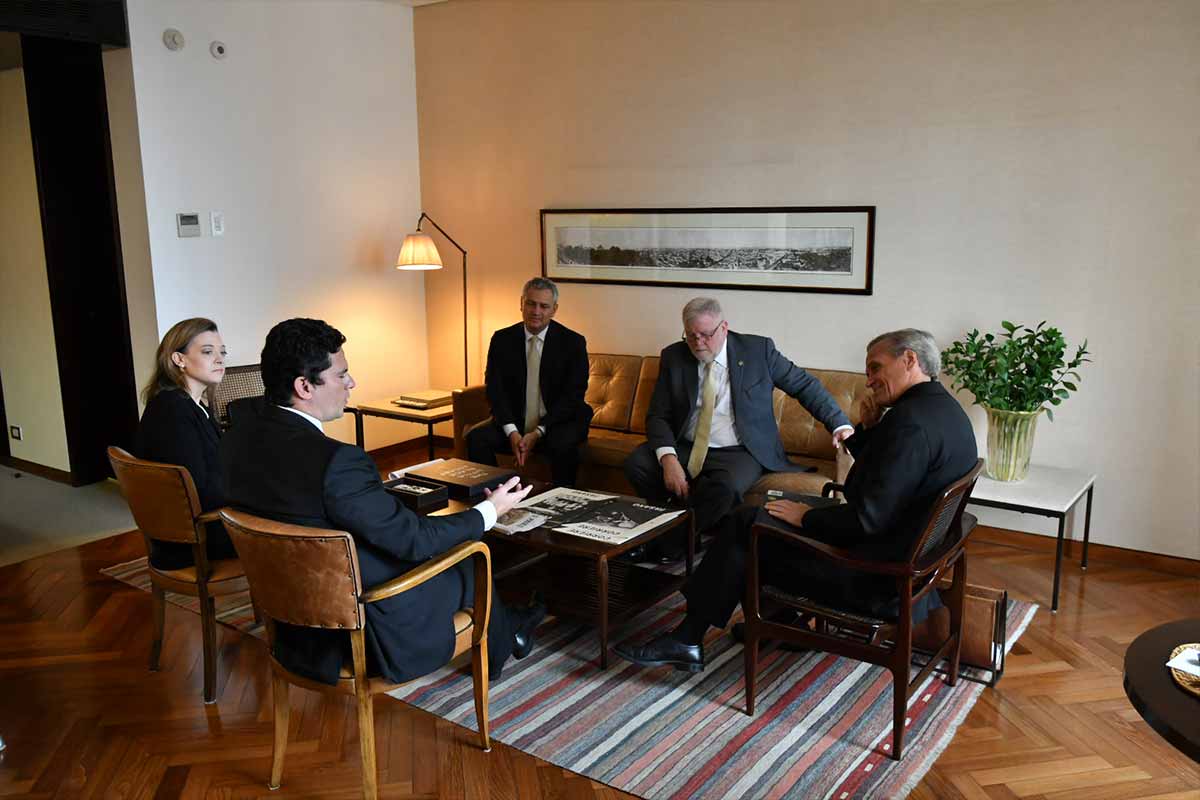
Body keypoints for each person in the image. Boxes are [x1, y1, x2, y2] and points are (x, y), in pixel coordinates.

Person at [615, 328, 978, 672]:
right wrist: (868, 429)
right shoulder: (944, 412)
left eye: (875, 368)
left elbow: (866, 517)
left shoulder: (910, 424)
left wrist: (805, 518)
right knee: (763, 513)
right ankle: (780, 622)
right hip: (905, 555)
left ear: (910, 360)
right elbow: (888, 478)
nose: (868, 380)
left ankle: (687, 638)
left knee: (745, 527)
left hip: (873, 578)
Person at [220, 318, 544, 686]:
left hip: (291, 623)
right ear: (304, 386)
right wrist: (489, 511)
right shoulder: (337, 462)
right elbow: (414, 541)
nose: (351, 383)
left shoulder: (235, 440)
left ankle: (511, 630)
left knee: (438, 537)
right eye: (342, 375)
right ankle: (502, 647)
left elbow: (312, 504)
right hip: (360, 625)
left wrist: (379, 500)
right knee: (471, 554)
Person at [623, 297, 852, 558]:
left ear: (724, 328)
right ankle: (687, 533)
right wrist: (668, 459)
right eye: (691, 335)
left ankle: (668, 541)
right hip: (686, 445)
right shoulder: (674, 356)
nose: (698, 343)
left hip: (740, 451)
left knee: (724, 488)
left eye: (706, 335)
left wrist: (839, 424)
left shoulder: (758, 351)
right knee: (637, 463)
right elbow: (658, 415)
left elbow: (804, 386)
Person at [467, 277, 593, 487]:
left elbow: (573, 397)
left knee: (562, 445)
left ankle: (563, 502)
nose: (536, 311)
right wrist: (512, 432)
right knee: (476, 437)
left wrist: (538, 432)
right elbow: (495, 391)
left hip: (559, 421)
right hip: (516, 420)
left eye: (544, 306)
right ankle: (491, 501)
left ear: (554, 309)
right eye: (531, 303)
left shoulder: (573, 342)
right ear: (521, 303)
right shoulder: (502, 339)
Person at [134, 317, 238, 570]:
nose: (220, 359)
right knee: (295, 523)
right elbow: (195, 488)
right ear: (178, 359)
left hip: (204, 525)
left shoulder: (192, 404)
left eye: (222, 352)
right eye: (207, 352)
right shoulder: (172, 410)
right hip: (194, 539)